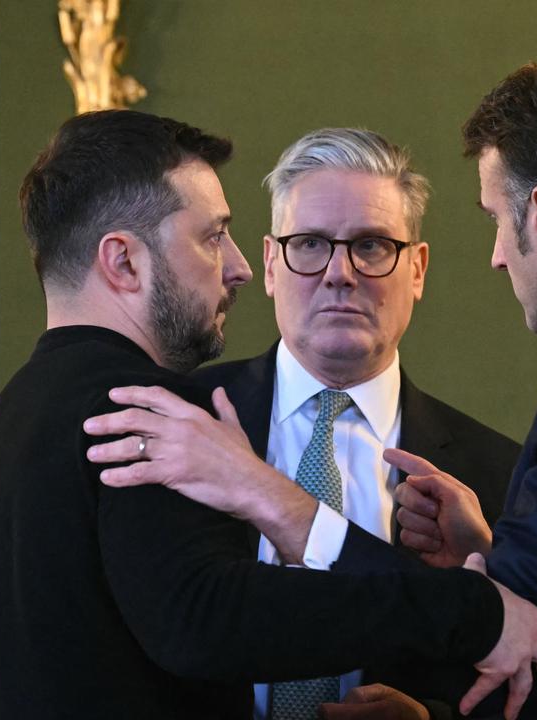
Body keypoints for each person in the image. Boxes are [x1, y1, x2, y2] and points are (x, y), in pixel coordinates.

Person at [86, 58, 537, 719]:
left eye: (497, 221)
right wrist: (487, 556)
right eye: (309, 245)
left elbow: (518, 649)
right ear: (275, 264)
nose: (501, 257)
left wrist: (276, 503)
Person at [0, 109, 537, 720]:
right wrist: (474, 610)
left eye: (372, 247)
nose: (236, 267)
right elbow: (210, 617)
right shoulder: (154, 418)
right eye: (214, 237)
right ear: (123, 260)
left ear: (417, 268)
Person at [193, 128, 520, 718]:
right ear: (270, 264)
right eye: (311, 244)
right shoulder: (185, 422)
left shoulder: (498, 478)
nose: (340, 273)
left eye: (371, 246)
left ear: (416, 270)